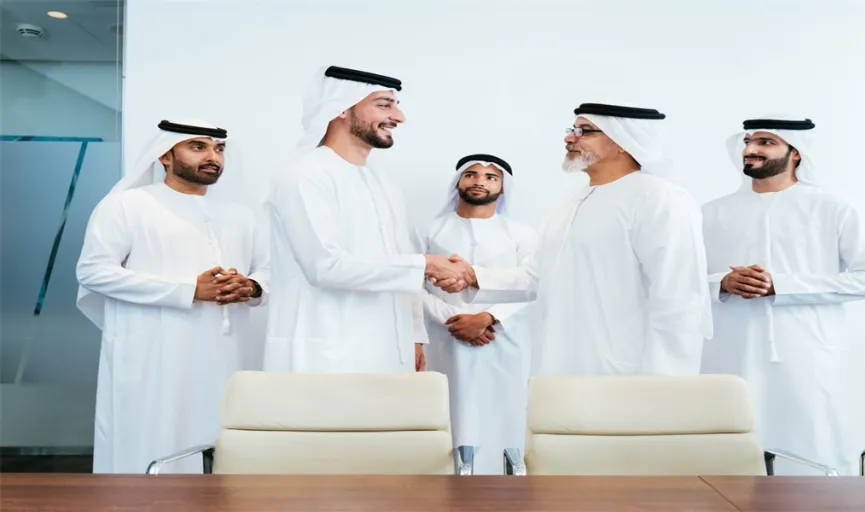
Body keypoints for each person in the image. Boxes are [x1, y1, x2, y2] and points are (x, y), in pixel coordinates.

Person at [437, 103, 712, 376]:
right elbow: (537, 277)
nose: (570, 138)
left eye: (585, 131)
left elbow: (679, 298)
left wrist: (665, 383)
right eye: (573, 130)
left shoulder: (660, 199)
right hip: (560, 364)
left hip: (629, 373)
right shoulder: (570, 205)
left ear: (622, 142)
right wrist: (472, 276)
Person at [700, 116, 865, 475]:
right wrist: (722, 283)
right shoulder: (710, 212)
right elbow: (681, 281)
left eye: (765, 142)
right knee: (728, 456)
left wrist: (783, 286)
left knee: (813, 449)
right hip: (730, 352)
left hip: (807, 353)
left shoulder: (833, 207)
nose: (751, 149)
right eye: (748, 141)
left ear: (796, 153)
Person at [76, 119, 270, 473]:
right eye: (198, 147)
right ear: (165, 155)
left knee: (222, 437)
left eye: (218, 148)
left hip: (226, 353)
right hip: (155, 353)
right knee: (155, 434)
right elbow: (92, 272)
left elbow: (269, 270)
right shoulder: (128, 206)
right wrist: (189, 290)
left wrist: (253, 286)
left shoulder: (241, 215)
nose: (213, 156)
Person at [263, 65, 472, 374]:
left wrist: (414, 335)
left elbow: (401, 263)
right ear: (342, 109)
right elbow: (324, 266)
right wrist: (426, 264)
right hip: (325, 355)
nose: (399, 117)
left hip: (390, 350)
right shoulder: (304, 174)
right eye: (384, 104)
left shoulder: (385, 183)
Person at [416, 153, 537, 474]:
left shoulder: (522, 234)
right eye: (471, 174)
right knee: (447, 411)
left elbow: (534, 284)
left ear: (503, 188)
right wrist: (451, 319)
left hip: (503, 339)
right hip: (442, 339)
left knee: (505, 411)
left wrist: (487, 318)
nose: (479, 181)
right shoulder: (429, 230)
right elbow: (410, 285)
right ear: (458, 182)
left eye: (490, 177)